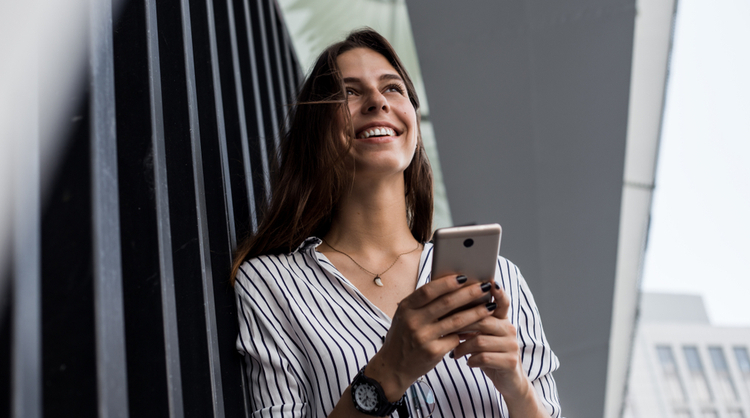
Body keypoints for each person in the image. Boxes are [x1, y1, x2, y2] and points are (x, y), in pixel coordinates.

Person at [232, 28, 561, 418]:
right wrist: (388, 373)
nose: (376, 102)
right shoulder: (271, 285)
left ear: (415, 127)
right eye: (350, 92)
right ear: (316, 131)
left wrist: (516, 385)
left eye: (392, 88)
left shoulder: (502, 280)